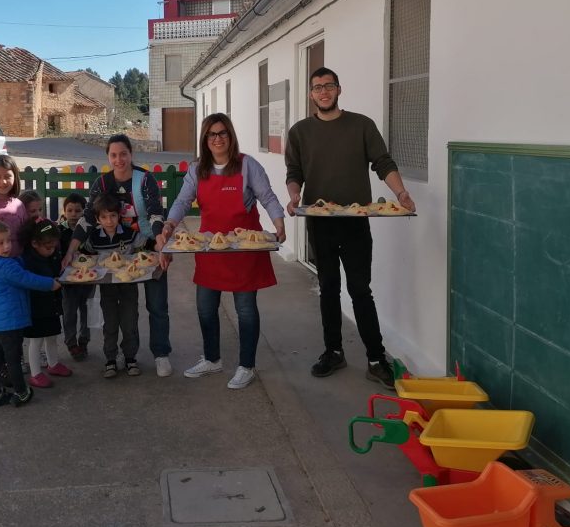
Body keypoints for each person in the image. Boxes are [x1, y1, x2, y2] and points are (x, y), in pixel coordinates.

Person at [284, 67, 417, 389]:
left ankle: (376, 359)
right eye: (317, 87)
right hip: (320, 223)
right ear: (311, 94)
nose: (323, 91)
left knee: (360, 290)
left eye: (329, 86)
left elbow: (383, 162)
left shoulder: (361, 125)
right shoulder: (300, 132)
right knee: (328, 288)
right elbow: (294, 171)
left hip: (356, 223)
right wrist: (294, 196)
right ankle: (333, 351)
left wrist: (401, 193)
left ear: (339, 89)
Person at [161, 113, 286, 390]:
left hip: (244, 249)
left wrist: (278, 222)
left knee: (245, 310)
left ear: (230, 136)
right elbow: (183, 201)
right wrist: (169, 224)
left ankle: (246, 366)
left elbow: (267, 196)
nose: (217, 139)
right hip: (210, 249)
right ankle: (212, 359)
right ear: (205, 139)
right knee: (205, 308)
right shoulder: (197, 169)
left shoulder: (247, 165)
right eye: (211, 134)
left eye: (222, 133)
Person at [64, 134, 173, 377]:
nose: (119, 159)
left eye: (123, 154)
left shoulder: (145, 180)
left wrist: (161, 246)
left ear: (131, 154)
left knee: (157, 305)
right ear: (108, 157)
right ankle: (116, 355)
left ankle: (161, 353)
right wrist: (71, 250)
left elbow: (156, 214)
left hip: (148, 246)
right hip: (115, 253)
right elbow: (88, 218)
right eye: (113, 155)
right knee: (114, 309)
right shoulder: (102, 184)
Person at [0, 220, 61, 408]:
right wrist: (50, 284)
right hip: (10, 321)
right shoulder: (6, 267)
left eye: (8, 241)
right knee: (13, 359)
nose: (7, 246)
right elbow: (27, 278)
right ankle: (21, 392)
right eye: (1, 242)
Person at [81, 193, 143, 379]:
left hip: (128, 285)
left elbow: (147, 245)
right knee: (110, 323)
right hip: (107, 287)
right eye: (104, 217)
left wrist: (162, 250)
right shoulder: (94, 238)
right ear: (98, 219)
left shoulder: (129, 234)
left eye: (113, 216)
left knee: (130, 322)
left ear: (119, 216)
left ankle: (130, 357)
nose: (109, 221)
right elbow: (83, 255)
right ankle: (110, 359)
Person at [20, 218, 73, 388]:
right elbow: (30, 281)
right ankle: (35, 373)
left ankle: (53, 363)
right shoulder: (28, 260)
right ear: (35, 243)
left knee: (52, 335)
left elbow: (57, 268)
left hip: (52, 304)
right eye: (48, 248)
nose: (52, 250)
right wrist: (49, 283)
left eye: (54, 247)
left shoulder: (53, 253)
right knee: (36, 341)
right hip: (36, 307)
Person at [59, 192, 92, 360]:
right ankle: (71, 343)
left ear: (84, 212)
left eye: (78, 211)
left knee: (87, 311)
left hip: (89, 278)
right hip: (68, 281)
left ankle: (84, 341)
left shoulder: (89, 230)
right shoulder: (59, 231)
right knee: (69, 312)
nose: (73, 214)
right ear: (64, 211)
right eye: (69, 210)